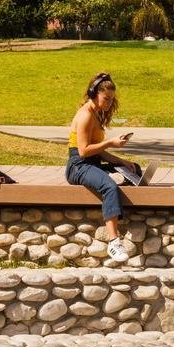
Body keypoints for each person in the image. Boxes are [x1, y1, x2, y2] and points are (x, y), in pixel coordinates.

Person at [65, 72, 139, 262]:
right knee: (109, 187)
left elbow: (97, 152)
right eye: (106, 98)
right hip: (78, 166)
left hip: (92, 162)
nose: (108, 103)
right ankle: (114, 242)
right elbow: (83, 151)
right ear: (93, 93)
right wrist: (110, 143)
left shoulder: (96, 114)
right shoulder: (85, 116)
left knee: (133, 170)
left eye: (111, 99)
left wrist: (121, 161)